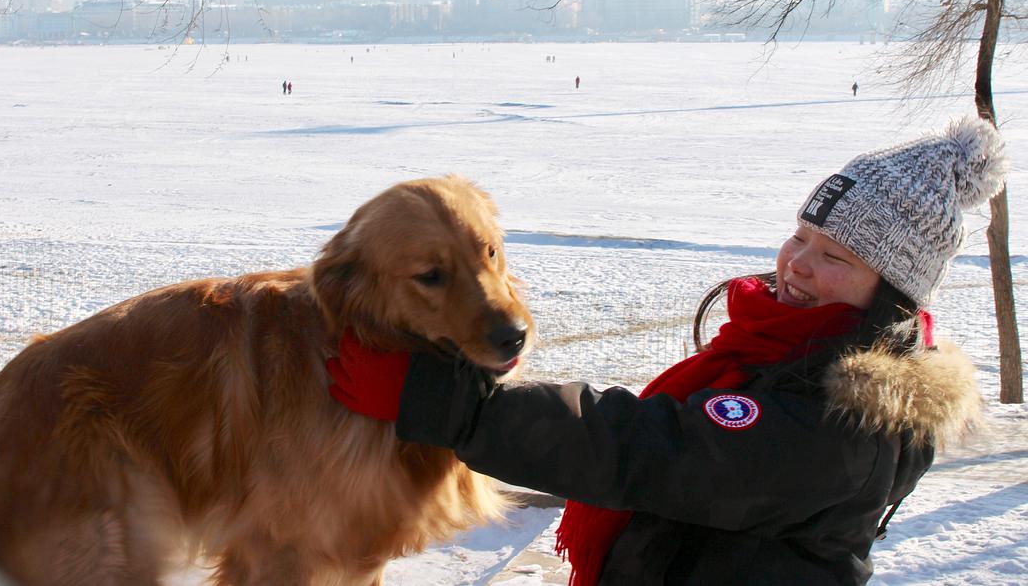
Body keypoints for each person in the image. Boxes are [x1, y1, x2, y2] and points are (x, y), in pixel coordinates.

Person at [327, 116, 1006, 586]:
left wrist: (451, 410)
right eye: (801, 236)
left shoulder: (847, 427)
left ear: (888, 294)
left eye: (833, 257)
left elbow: (650, 450)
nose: (797, 264)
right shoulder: (776, 347)